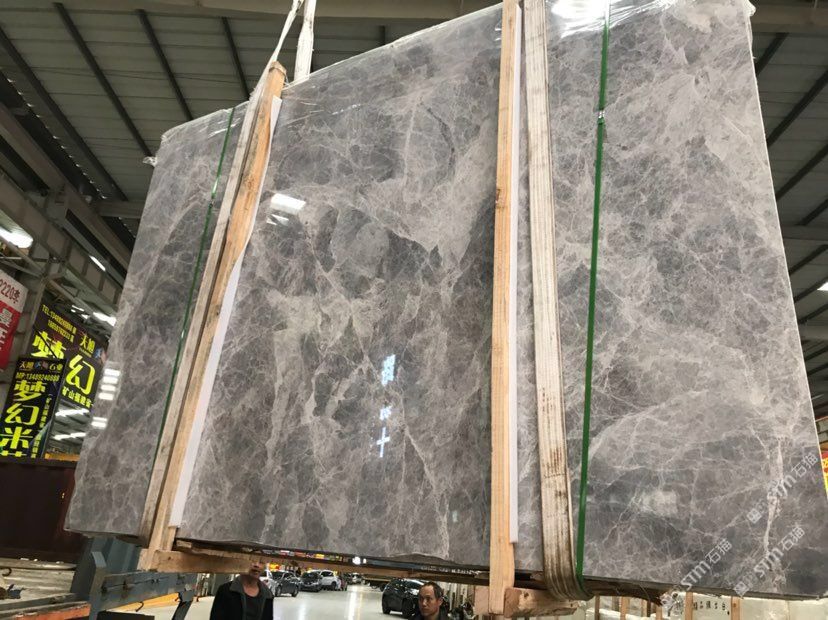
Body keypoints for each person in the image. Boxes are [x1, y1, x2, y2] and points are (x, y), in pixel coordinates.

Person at [209, 561, 273, 620]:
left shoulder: (268, 595)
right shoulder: (226, 590)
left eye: (261, 562)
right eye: (252, 561)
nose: (256, 565)